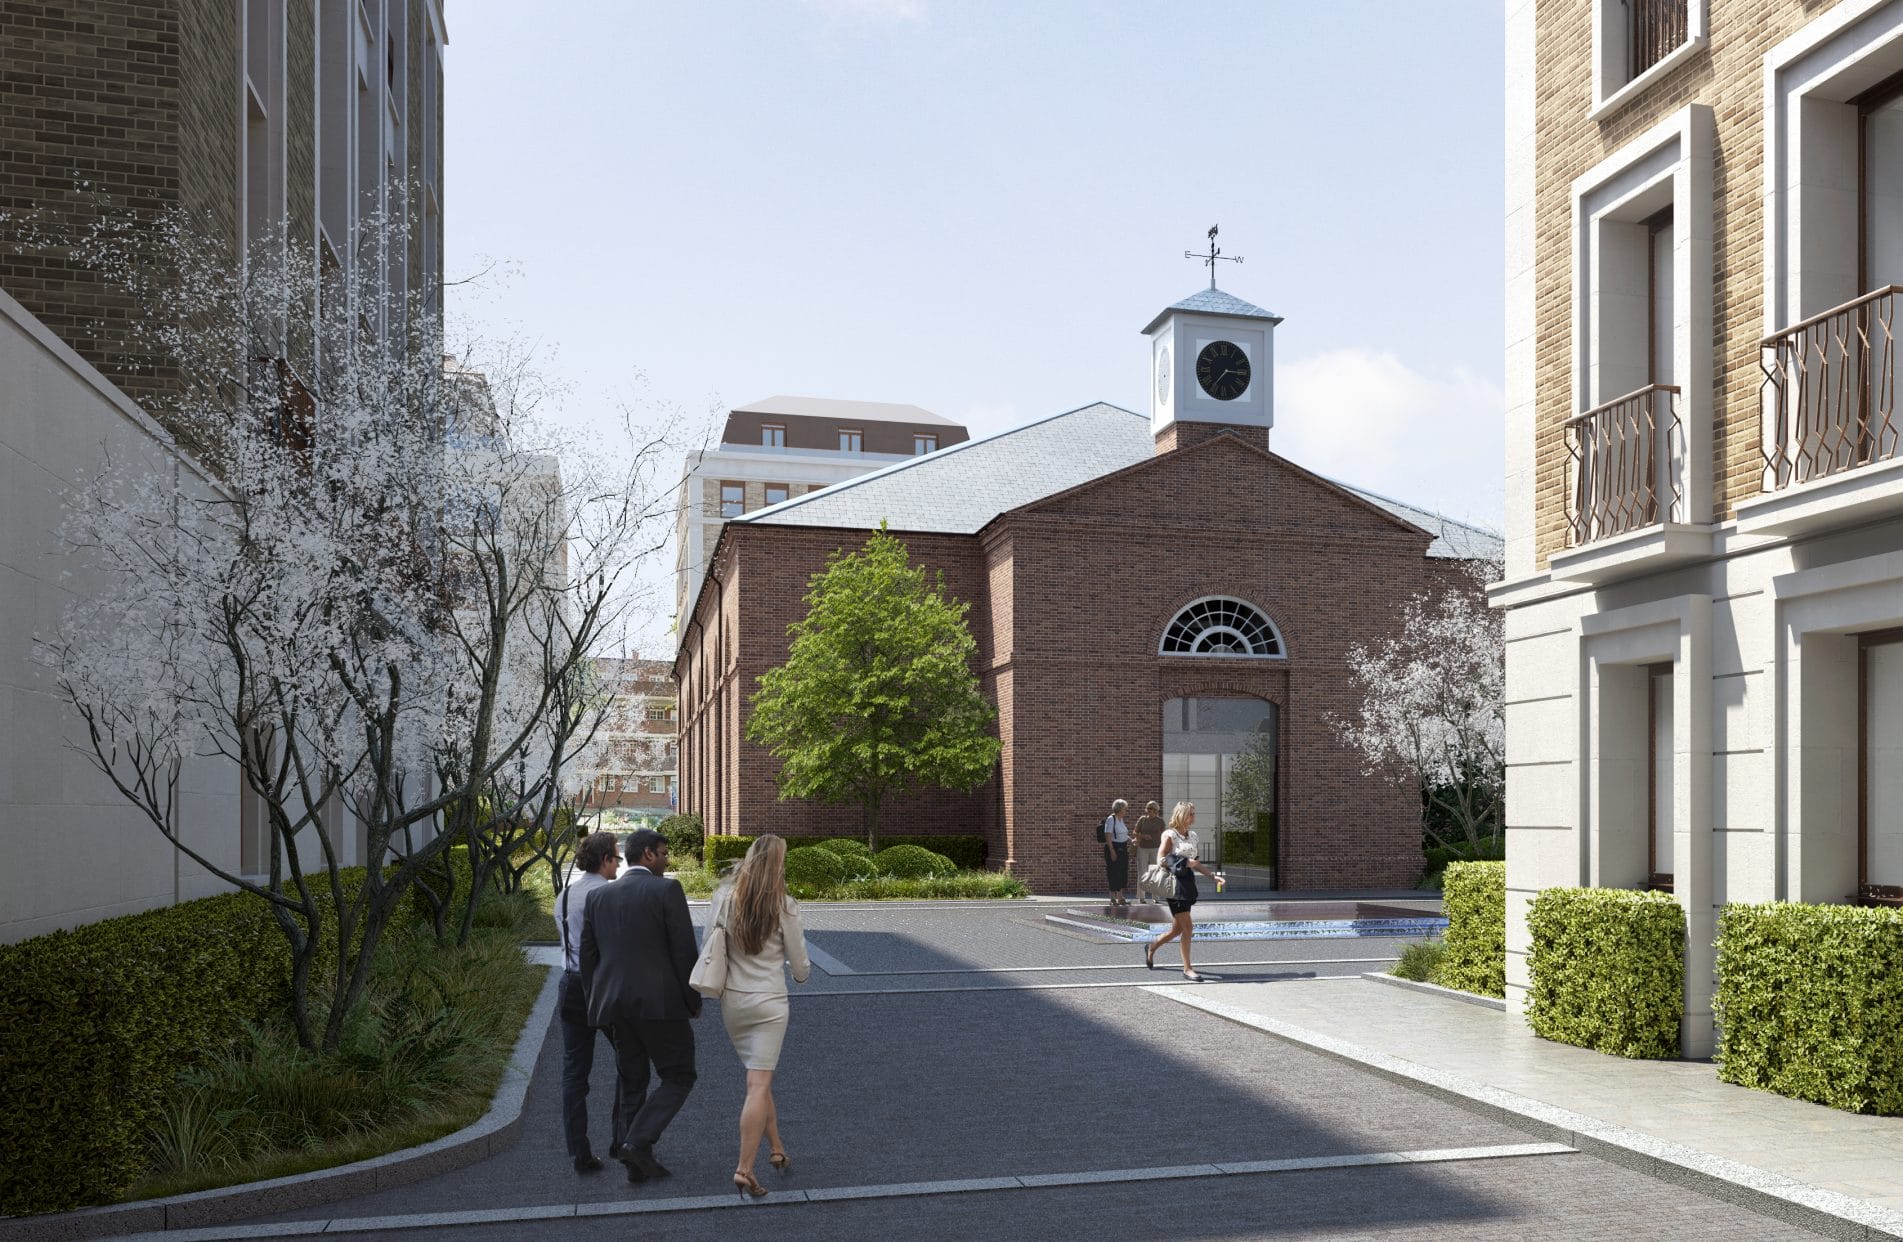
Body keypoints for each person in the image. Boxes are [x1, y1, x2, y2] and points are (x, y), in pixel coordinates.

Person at [580, 827, 701, 1184]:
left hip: (614, 1006)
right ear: (647, 854)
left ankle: (634, 1160)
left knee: (632, 1081)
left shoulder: (598, 898)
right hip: (660, 1004)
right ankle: (637, 1142)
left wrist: (596, 1003)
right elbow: (683, 950)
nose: (667, 860)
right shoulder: (666, 890)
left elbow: (589, 959)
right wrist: (692, 999)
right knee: (679, 1075)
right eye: (664, 853)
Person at [710, 835, 811, 1199]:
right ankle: (744, 1169)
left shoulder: (724, 898)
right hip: (770, 1004)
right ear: (778, 866)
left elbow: (710, 944)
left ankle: (777, 1147)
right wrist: (801, 973)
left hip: (733, 1003)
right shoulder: (785, 906)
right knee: (758, 1084)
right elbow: (799, 967)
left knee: (758, 1080)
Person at [556, 831, 624, 1174]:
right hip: (604, 988)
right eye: (617, 857)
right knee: (629, 1062)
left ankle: (579, 1152)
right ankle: (621, 1140)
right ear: (605, 860)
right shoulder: (609, 896)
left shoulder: (565, 896)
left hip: (571, 986)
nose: (619, 863)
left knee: (574, 1073)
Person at [1144, 801, 1225, 982]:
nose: (1193, 817)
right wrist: (1185, 863)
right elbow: (1161, 858)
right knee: (1188, 927)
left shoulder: (1193, 836)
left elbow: (1196, 863)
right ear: (1181, 815)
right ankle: (1188, 969)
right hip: (1174, 885)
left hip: (1188, 883)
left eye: (1194, 814)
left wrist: (1213, 877)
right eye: (1190, 814)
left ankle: (1152, 947)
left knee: (1177, 930)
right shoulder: (1170, 835)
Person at [1131, 801, 1165, 900]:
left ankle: (1156, 897)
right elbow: (1135, 832)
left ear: (1156, 810)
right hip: (1142, 848)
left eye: (1151, 809)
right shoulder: (1142, 819)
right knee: (1142, 872)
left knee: (1155, 872)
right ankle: (1141, 897)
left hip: (1155, 849)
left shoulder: (1160, 821)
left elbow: (1164, 834)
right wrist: (1143, 836)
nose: (1149, 810)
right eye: (1148, 808)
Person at [1102, 798, 1133, 907]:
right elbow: (1108, 834)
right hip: (1114, 847)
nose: (1126, 810)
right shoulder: (1111, 819)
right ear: (1119, 809)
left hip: (1123, 848)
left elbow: (1122, 833)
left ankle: (1120, 897)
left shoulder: (1121, 819)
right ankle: (1112, 898)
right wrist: (1112, 851)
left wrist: (1130, 839)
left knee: (1122, 872)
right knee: (1113, 872)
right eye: (1125, 808)